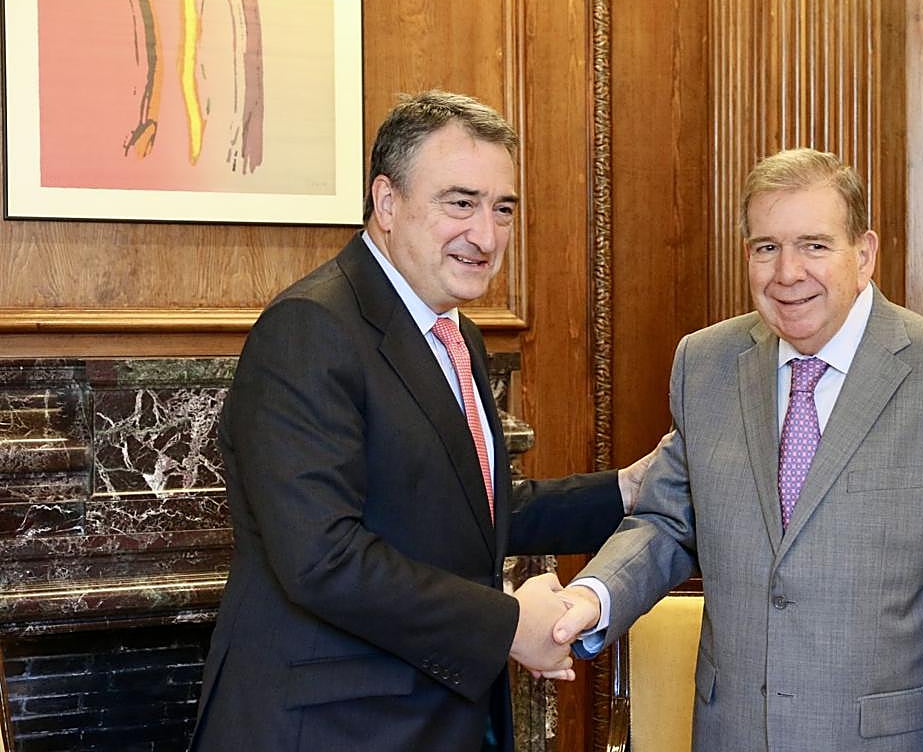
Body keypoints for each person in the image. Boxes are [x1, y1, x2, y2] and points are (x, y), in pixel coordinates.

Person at [191, 90, 647, 752]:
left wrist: (627, 489)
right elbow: (322, 558)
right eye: (460, 203)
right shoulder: (311, 328)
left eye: (503, 209)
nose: (486, 236)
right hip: (331, 731)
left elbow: (466, 510)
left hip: (427, 718)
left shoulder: (455, 333)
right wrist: (507, 624)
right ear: (386, 202)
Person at [554, 148, 923, 751]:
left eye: (814, 245)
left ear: (864, 254)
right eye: (766, 247)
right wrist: (590, 597)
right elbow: (667, 522)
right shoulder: (705, 363)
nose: (787, 273)